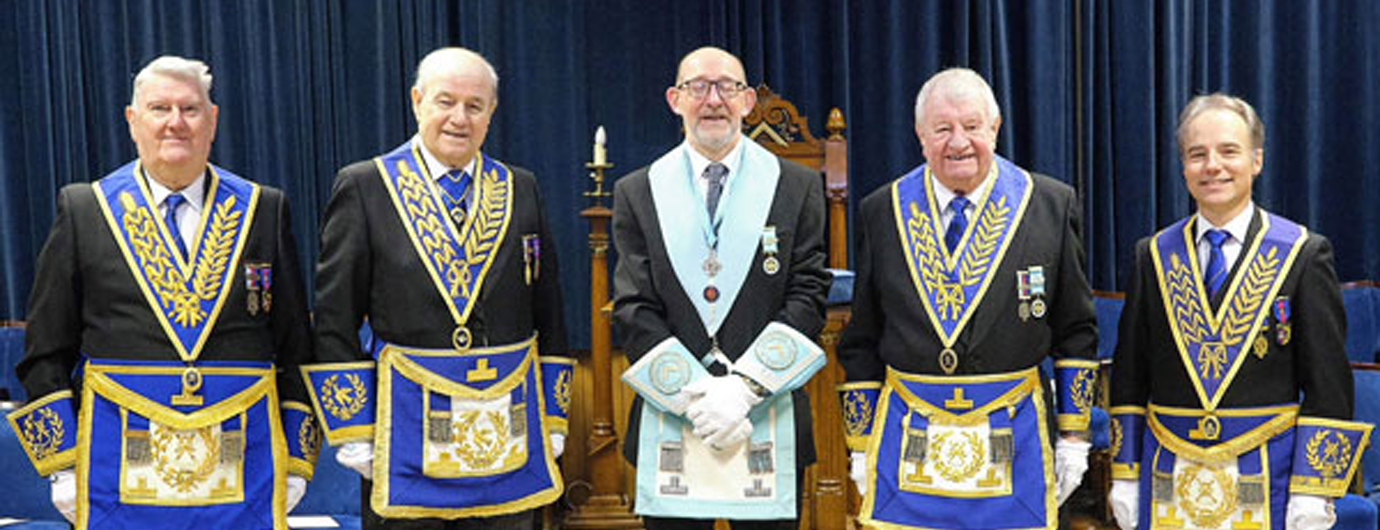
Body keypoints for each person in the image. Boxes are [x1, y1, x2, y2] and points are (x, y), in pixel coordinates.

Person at [7, 55, 316, 530]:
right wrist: (63, 467)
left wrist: (296, 461)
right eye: (159, 109)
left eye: (190, 110)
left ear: (212, 120)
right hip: (115, 476)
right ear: (133, 121)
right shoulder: (85, 209)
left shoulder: (263, 209)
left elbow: (296, 348)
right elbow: (44, 352)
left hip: (242, 477)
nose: (176, 123)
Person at [304, 47, 571, 530]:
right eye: (445, 102)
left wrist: (552, 417)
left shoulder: (520, 187)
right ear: (417, 101)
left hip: (504, 439)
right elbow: (334, 318)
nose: (459, 118)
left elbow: (548, 310)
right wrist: (353, 430)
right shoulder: (366, 186)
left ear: (491, 112)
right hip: (400, 440)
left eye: (474, 105)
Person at [836, 67, 1099, 530]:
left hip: (1013, 438)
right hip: (910, 437)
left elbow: (1075, 332)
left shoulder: (1049, 205)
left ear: (994, 129)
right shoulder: (882, 210)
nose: (958, 142)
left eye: (972, 126)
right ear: (920, 136)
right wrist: (859, 446)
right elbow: (862, 338)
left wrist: (1074, 436)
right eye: (942, 129)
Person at [1108, 94, 1370, 530]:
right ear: (1184, 166)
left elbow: (1328, 382)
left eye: (1229, 151)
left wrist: (1313, 489)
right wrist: (1124, 472)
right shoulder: (1151, 255)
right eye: (1197, 154)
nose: (1213, 166)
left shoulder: (1302, 254)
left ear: (1256, 160)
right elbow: (1130, 376)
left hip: (1268, 479)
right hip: (1169, 478)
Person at [612, 46, 830, 529]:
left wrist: (743, 390)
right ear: (674, 99)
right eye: (698, 87)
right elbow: (633, 308)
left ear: (748, 100)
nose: (713, 100)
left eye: (727, 87)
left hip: (764, 414)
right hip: (674, 417)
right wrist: (699, 398)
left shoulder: (795, 186)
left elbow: (809, 293)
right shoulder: (638, 190)